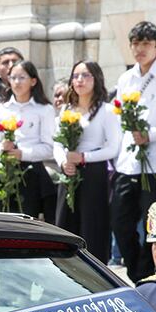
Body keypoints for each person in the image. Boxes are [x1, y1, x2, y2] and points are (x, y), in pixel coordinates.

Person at [112, 21, 156, 283]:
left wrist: (150, 135)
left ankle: (148, 275)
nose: (139, 49)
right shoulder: (125, 78)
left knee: (153, 223)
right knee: (120, 222)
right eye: (135, 44)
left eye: (146, 44)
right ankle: (136, 271)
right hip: (128, 162)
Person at [54, 60, 121, 260]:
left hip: (93, 173)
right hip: (69, 172)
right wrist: (63, 162)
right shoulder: (67, 109)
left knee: (93, 227)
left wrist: (85, 157)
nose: (80, 80)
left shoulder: (106, 111)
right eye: (76, 76)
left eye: (85, 75)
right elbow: (57, 143)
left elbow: (113, 147)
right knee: (65, 224)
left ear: (96, 78)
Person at [0, 60, 57, 222]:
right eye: (13, 77)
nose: (17, 82)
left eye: (22, 77)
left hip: (30, 173)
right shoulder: (1, 109)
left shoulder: (44, 109)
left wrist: (22, 154)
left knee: (26, 221)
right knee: (2, 222)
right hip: (3, 172)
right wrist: (2, 148)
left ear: (33, 81)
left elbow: (49, 148)